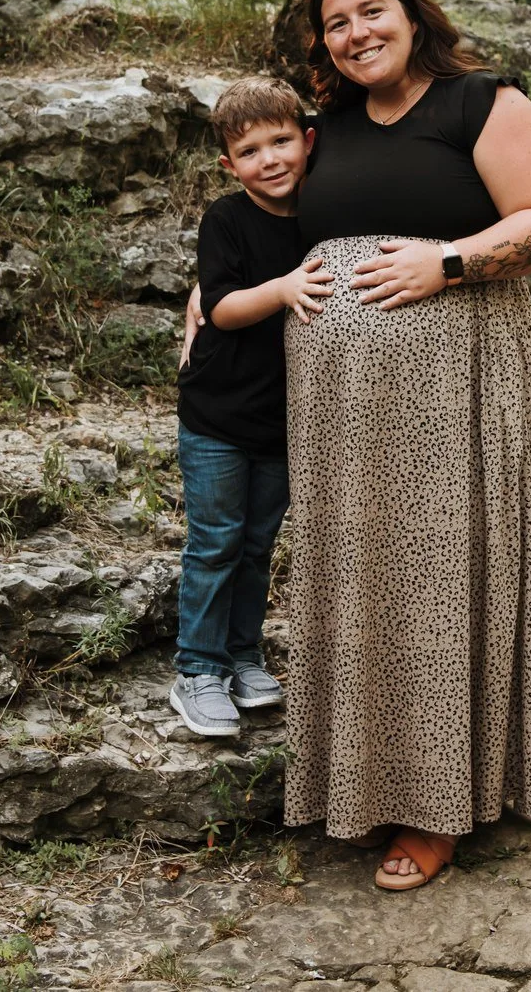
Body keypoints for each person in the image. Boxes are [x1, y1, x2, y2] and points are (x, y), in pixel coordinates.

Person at [284, 0, 531, 891]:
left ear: (412, 15)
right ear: (322, 42)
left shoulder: (481, 103)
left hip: (459, 387)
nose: (358, 32)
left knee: (439, 577)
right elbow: (260, 217)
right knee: (364, 577)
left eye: (373, 12)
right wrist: (209, 291)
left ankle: (436, 803)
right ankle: (363, 778)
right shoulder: (325, 125)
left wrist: (444, 263)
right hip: (341, 412)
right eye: (337, 22)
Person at [168, 79, 334, 739]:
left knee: (258, 542)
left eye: (282, 141)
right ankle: (198, 669)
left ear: (308, 141)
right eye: (251, 149)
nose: (270, 159)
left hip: (283, 421)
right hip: (217, 419)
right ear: (229, 165)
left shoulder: (325, 221)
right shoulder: (227, 219)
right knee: (215, 540)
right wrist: (284, 287)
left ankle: (241, 655)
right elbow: (223, 306)